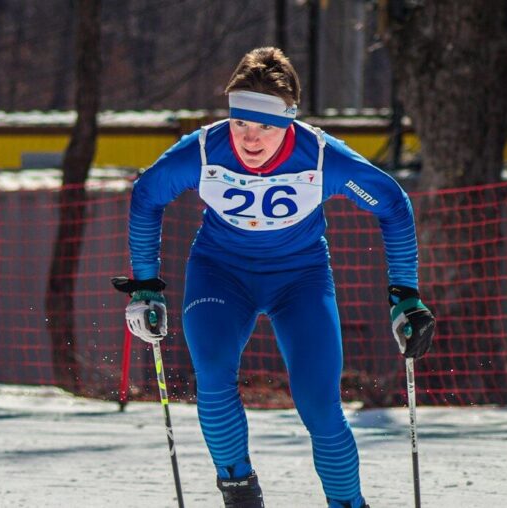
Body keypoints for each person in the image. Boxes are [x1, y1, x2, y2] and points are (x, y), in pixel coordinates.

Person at [112, 47, 435, 508]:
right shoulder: (204, 150)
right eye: (241, 122)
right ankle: (240, 493)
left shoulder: (322, 157)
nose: (250, 138)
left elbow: (392, 204)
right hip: (220, 274)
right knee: (214, 374)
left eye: (265, 125)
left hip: (299, 279)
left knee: (321, 406)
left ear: (288, 120)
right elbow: (147, 196)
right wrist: (145, 285)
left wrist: (405, 296)